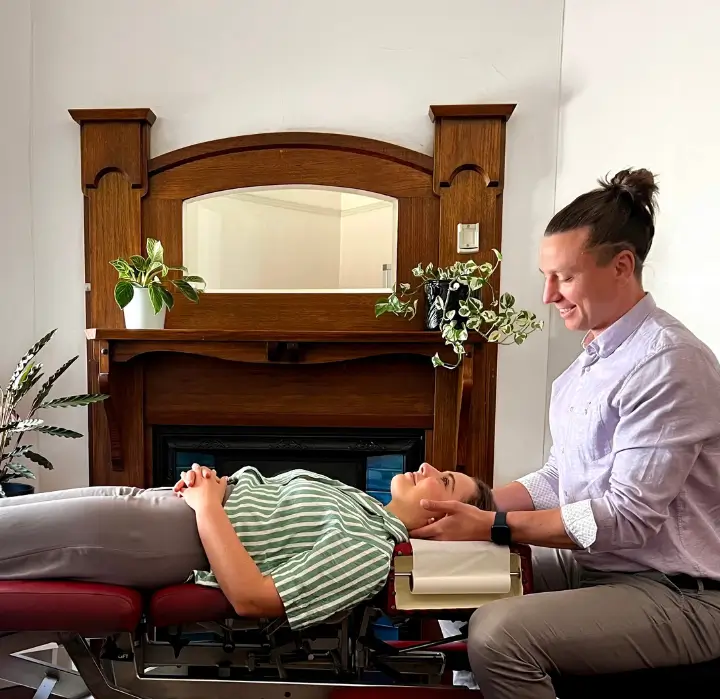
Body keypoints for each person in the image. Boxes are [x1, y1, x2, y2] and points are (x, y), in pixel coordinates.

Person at [410, 168, 720, 698]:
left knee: (499, 635)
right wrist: (466, 497)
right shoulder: (584, 369)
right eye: (545, 275)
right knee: (442, 576)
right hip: (603, 569)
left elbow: (627, 517)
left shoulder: (668, 363)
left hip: (682, 593)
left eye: (565, 277)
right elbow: (562, 477)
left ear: (622, 266)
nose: (549, 294)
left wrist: (492, 524)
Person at [0, 461, 492, 631]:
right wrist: (212, 483)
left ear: (441, 522)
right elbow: (266, 496)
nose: (427, 468)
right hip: (163, 505)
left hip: (170, 538)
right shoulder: (358, 503)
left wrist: (209, 507)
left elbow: (253, 597)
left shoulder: (369, 550)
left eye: (443, 480)